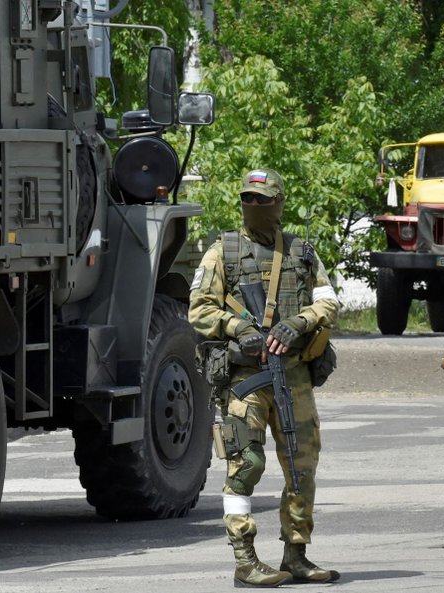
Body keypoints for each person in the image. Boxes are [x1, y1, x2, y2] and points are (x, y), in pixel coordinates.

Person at [188, 168, 341, 587]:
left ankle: (296, 555)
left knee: (302, 467)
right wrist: (238, 328)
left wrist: (300, 321)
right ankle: (245, 560)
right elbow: (199, 310)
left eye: (263, 200)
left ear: (279, 202)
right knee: (246, 464)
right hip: (244, 378)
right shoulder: (223, 253)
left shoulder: (301, 253)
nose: (254, 206)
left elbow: (328, 302)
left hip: (293, 376)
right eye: (248, 200)